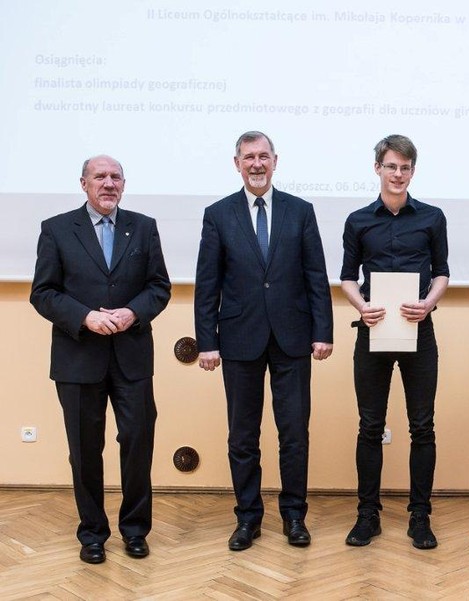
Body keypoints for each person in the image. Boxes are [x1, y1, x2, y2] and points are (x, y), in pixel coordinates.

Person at [194, 131, 333, 551]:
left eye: (263, 156)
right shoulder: (218, 214)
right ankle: (248, 518)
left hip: (293, 338)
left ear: (275, 161)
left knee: (294, 434)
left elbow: (315, 276)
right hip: (239, 338)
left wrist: (322, 332)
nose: (257, 164)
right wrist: (207, 341)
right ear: (237, 163)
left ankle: (294, 516)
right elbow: (207, 284)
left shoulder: (300, 210)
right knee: (242, 436)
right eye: (249, 157)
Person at [30, 155, 171, 564]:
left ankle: (135, 530)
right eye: (100, 177)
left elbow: (158, 287)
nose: (108, 183)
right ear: (84, 184)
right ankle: (92, 534)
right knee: (85, 450)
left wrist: (133, 312)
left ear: (123, 184)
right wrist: (85, 317)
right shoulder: (56, 229)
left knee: (138, 442)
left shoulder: (143, 227)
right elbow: (43, 292)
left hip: (132, 358)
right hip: (78, 359)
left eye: (115, 177)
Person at [340, 134, 449, 550]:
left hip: (419, 331)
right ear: (378, 169)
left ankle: (420, 517)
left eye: (405, 167)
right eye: (391, 166)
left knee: (423, 426)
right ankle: (367, 515)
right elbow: (348, 277)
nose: (398, 174)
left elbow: (442, 272)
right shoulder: (358, 221)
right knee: (370, 426)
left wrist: (428, 303)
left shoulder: (433, 218)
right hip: (374, 331)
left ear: (412, 171)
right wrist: (362, 306)